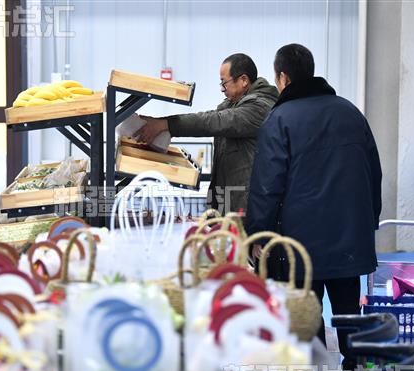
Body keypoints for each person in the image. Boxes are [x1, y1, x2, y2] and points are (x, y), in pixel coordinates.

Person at [246, 44, 382, 354]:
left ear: (283, 78)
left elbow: (267, 185)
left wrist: (257, 234)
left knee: (307, 318)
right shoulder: (350, 112)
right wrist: (369, 221)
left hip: (301, 245)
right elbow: (373, 172)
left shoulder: (279, 119)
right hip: (349, 238)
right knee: (349, 313)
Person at [135, 53, 278, 214]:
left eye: (224, 83)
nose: (222, 89)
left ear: (244, 80)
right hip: (229, 202)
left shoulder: (259, 108)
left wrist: (166, 124)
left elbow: (213, 121)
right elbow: (212, 117)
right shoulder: (233, 104)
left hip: (247, 208)